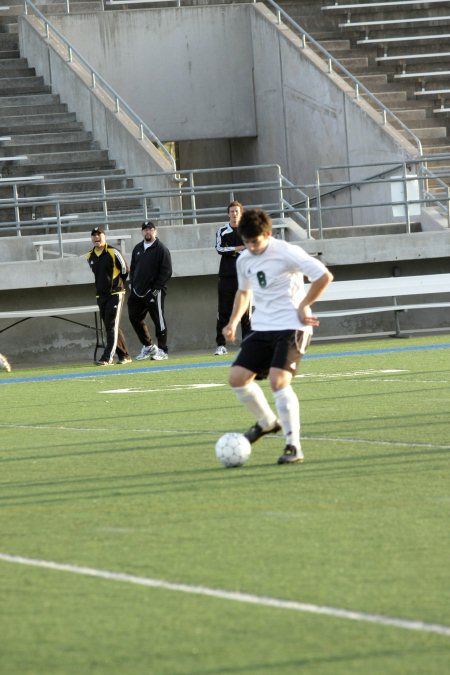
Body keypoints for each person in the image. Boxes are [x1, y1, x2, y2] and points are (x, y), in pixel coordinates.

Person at [223, 208, 333, 465]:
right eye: (247, 242)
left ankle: (293, 446)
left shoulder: (286, 251)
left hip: (292, 326)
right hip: (263, 327)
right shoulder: (244, 259)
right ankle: (267, 422)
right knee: (237, 378)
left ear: (268, 234)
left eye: (256, 241)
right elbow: (243, 293)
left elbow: (324, 276)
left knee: (278, 381)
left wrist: (304, 304)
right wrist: (232, 322)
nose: (251, 247)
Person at [87, 227, 132, 366]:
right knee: (110, 326)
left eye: (99, 234)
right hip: (101, 295)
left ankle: (107, 357)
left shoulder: (113, 252)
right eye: (93, 235)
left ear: (104, 236)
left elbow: (125, 270)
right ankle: (124, 355)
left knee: (111, 325)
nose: (96, 237)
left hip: (115, 294)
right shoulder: (90, 256)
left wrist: (118, 285)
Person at [128, 221, 172, 361]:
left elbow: (167, 271)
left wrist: (156, 288)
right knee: (134, 316)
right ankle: (148, 346)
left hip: (154, 292)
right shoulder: (138, 248)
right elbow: (133, 268)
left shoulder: (161, 249)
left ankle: (163, 350)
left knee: (158, 320)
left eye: (150, 229)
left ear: (155, 231)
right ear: (142, 232)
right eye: (145, 230)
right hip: (137, 291)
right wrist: (133, 285)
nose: (148, 232)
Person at [214, 200, 251, 356]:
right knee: (224, 311)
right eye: (231, 211)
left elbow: (252, 248)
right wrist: (236, 248)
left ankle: (248, 344)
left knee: (246, 313)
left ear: (240, 213)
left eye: (237, 211)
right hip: (227, 276)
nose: (234, 214)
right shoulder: (222, 230)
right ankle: (221, 345)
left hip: (245, 276)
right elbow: (219, 248)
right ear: (228, 214)